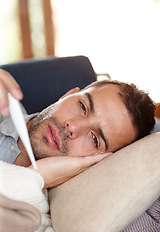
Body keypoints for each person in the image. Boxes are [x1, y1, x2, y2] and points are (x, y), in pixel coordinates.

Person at [0, 68, 158, 232]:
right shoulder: (3, 102)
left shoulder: (42, 217)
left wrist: (36, 178)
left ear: (100, 159)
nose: (73, 127)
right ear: (68, 94)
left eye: (94, 139)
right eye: (82, 107)